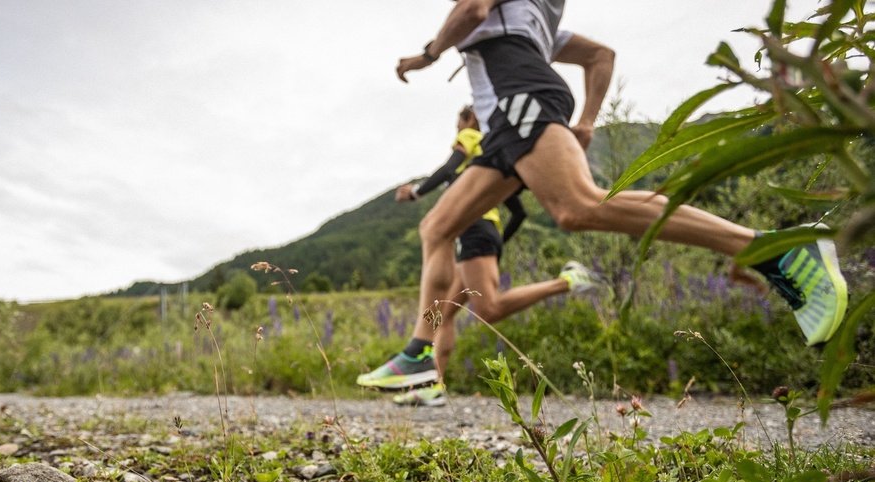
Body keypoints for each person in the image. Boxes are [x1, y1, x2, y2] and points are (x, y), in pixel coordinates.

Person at [359, 0, 849, 394]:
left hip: (519, 101)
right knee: (437, 228)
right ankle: (420, 350)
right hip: (508, 121)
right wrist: (588, 122)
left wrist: (427, 53)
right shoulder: (540, 21)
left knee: (578, 206)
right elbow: (601, 56)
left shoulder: (506, 17)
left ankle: (771, 247)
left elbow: (471, 11)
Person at [361, 100, 603, 406]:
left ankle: (567, 280)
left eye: (458, 123)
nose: (457, 130)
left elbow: (448, 167)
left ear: (469, 119)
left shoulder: (471, 139)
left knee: (489, 309)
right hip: (481, 235)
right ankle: (433, 383)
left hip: (474, 232)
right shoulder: (492, 157)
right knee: (445, 312)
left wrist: (416, 191)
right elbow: (517, 212)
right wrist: (498, 243)